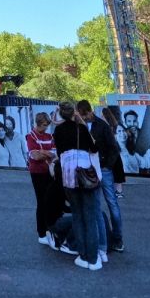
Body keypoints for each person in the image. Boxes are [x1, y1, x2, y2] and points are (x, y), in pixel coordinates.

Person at [49, 101, 101, 269]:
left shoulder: (58, 131)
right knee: (90, 217)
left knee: (78, 216)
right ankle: (93, 258)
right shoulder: (82, 128)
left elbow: (58, 151)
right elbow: (94, 148)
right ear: (74, 113)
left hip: (69, 175)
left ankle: (83, 255)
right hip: (85, 173)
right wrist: (80, 121)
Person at [78, 100, 123, 254]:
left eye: (86, 115)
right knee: (96, 206)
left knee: (111, 204)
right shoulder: (82, 126)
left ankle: (117, 238)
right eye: (82, 116)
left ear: (91, 111)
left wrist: (107, 165)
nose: (85, 118)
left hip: (102, 169)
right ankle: (102, 242)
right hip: (89, 169)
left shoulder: (102, 126)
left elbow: (114, 148)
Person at [25, 112, 60, 246]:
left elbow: (54, 153)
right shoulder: (31, 136)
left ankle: (50, 228)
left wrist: (43, 152)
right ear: (38, 123)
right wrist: (47, 153)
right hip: (37, 173)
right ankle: (41, 231)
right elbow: (34, 155)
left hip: (50, 172)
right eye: (44, 125)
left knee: (51, 200)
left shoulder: (49, 136)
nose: (46, 128)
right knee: (41, 201)